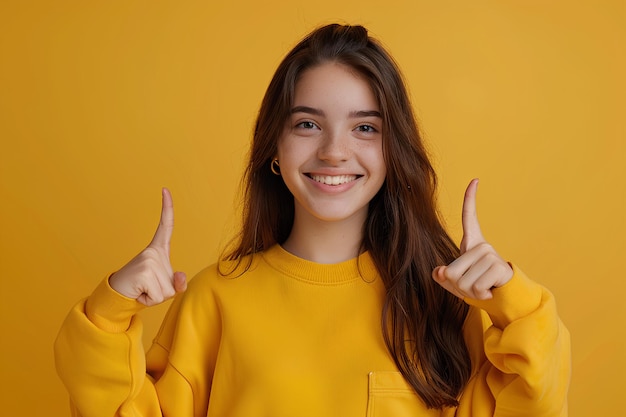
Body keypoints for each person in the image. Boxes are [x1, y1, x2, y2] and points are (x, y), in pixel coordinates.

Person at [54, 24, 570, 417]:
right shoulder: (214, 300)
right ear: (274, 147)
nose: (334, 151)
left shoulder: (446, 306)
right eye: (307, 124)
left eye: (365, 128)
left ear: (394, 152)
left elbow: (537, 404)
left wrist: (515, 307)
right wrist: (108, 314)